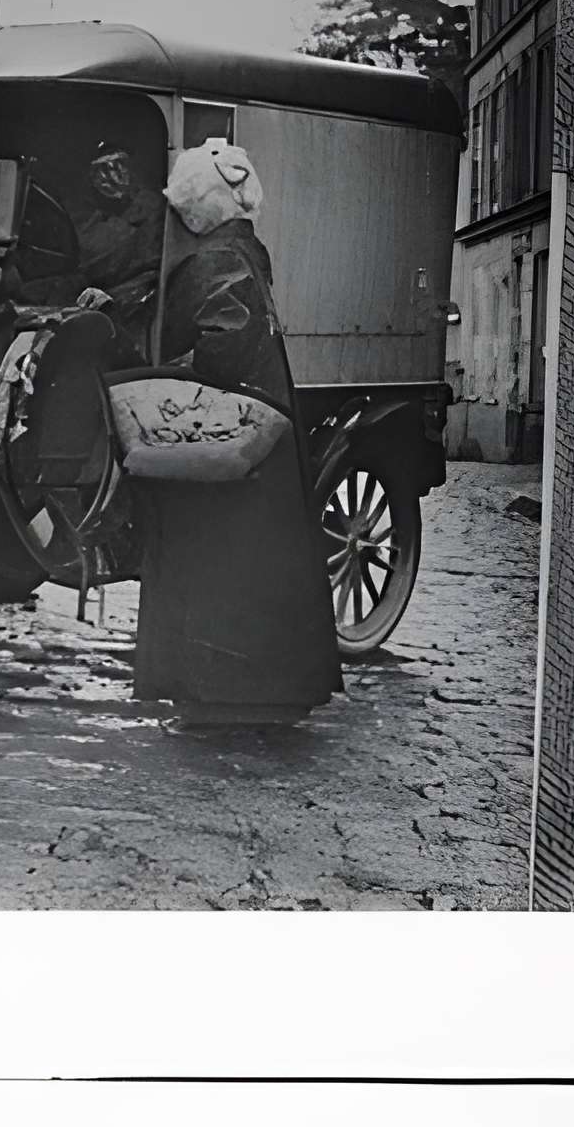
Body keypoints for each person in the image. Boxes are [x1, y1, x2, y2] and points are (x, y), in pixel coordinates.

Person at [131, 140, 342, 729]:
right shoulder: (247, 249)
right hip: (264, 432)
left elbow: (223, 345)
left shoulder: (213, 259)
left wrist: (169, 374)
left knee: (216, 559)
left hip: (227, 433)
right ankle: (268, 691)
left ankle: (221, 693)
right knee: (265, 563)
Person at [67, 143, 166, 350]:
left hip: (137, 312)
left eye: (120, 166)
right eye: (103, 170)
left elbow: (105, 254)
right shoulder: (83, 211)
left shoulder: (153, 207)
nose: (113, 175)